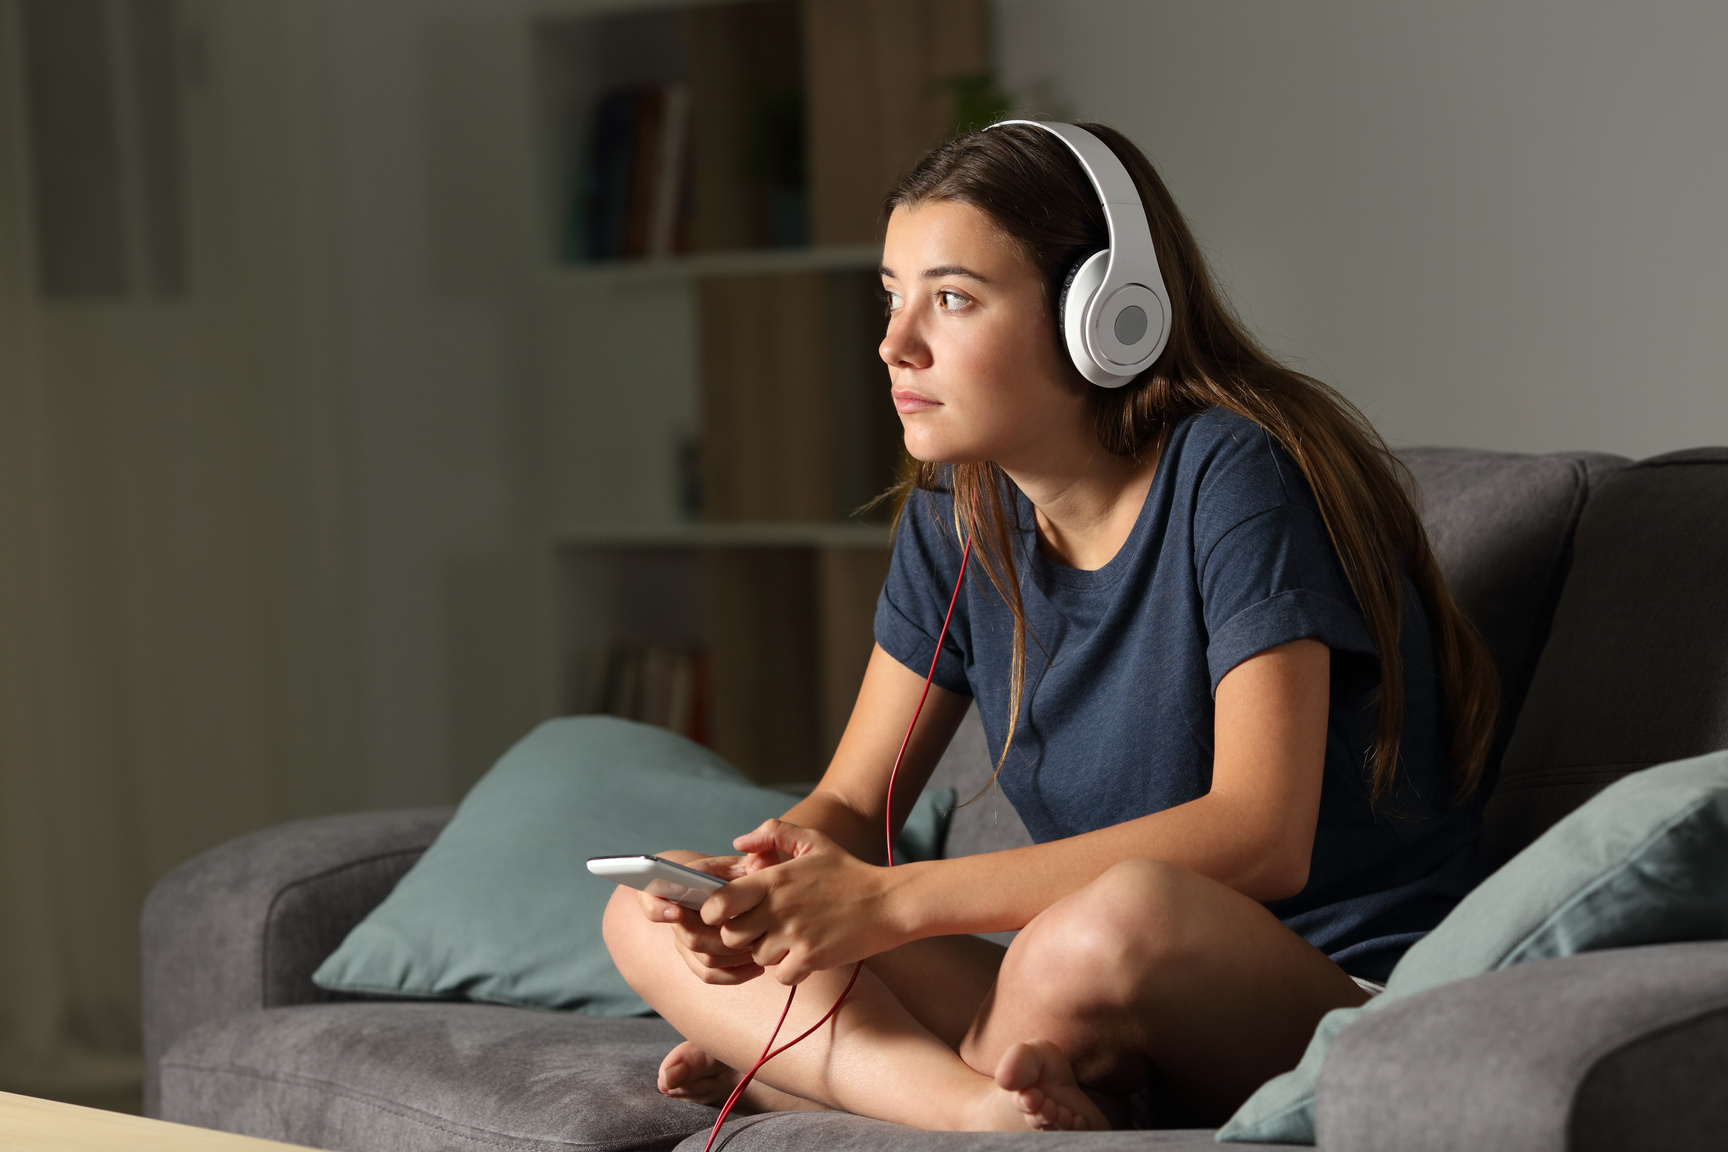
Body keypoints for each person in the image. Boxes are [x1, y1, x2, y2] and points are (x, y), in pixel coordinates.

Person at [602, 120, 1498, 1132]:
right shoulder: (955, 515)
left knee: (1105, 926)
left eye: (952, 298)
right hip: (1068, 990)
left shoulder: (1231, 477)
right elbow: (852, 805)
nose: (896, 344)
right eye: (892, 298)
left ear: (1104, 315)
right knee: (642, 912)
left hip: (1316, 991)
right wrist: (766, 886)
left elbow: (1261, 836)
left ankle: (828, 1076)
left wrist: (893, 904)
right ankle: (986, 1109)